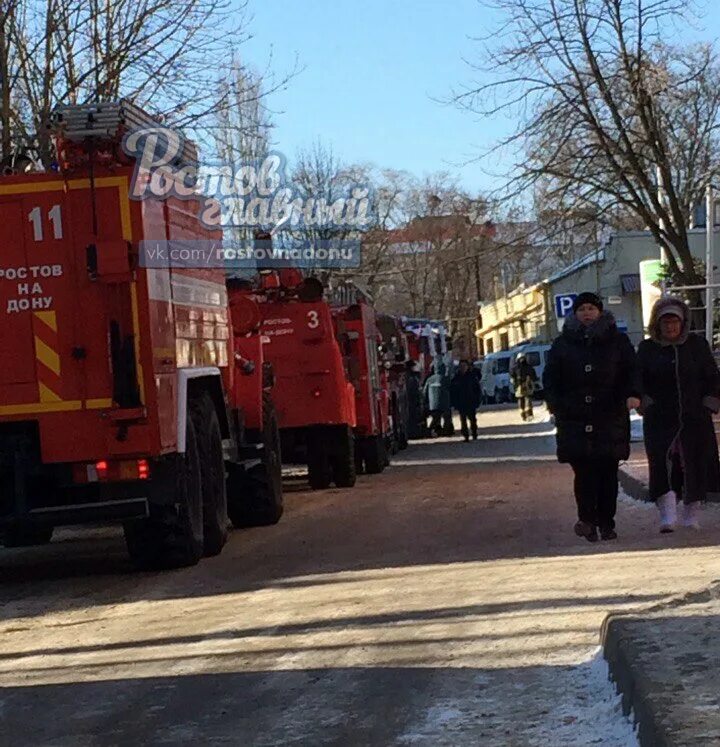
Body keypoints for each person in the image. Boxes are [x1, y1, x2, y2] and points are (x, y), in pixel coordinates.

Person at [543, 292, 640, 542]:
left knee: (607, 471)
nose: (587, 313)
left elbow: (631, 371)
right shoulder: (562, 344)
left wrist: (632, 394)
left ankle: (607, 521)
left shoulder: (617, 341)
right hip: (574, 417)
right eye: (582, 309)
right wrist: (556, 404)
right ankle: (587, 520)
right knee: (583, 471)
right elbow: (551, 378)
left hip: (609, 415)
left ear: (600, 312)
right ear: (574, 314)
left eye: (591, 308)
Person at [637, 296, 720, 532]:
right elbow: (637, 379)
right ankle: (667, 515)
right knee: (663, 464)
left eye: (675, 321)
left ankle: (691, 514)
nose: (671, 327)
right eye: (666, 322)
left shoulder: (696, 345)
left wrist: (709, 402)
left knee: (695, 462)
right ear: (657, 324)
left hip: (695, 416)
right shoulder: (647, 349)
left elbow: (712, 376)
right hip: (660, 417)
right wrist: (645, 401)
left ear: (683, 322)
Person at [450, 359, 481, 441]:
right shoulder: (456, 378)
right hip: (461, 402)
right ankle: (465, 435)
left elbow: (477, 389)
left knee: (472, 419)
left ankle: (474, 433)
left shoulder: (472, 376)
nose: (463, 368)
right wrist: (454, 403)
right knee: (463, 420)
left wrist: (478, 400)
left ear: (467, 367)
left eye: (464, 366)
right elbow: (453, 391)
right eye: (461, 366)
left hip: (471, 401)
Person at [423, 362, 452, 437]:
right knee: (447, 418)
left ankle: (430, 431)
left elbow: (425, 391)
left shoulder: (429, 379)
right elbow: (451, 389)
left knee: (435, 418)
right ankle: (446, 431)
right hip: (445, 403)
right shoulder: (445, 378)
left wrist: (425, 402)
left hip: (433, 404)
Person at [512, 353, 538, 421]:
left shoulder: (528, 367)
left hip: (527, 385)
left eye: (522, 358)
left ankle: (529, 414)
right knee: (521, 400)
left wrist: (533, 380)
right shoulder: (515, 368)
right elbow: (512, 376)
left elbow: (533, 375)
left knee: (528, 399)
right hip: (519, 386)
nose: (521, 360)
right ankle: (523, 415)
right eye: (520, 359)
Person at [405, 360, 423, 440]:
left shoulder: (408, 376)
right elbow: (415, 391)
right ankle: (414, 433)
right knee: (413, 417)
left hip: (410, 401)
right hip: (412, 400)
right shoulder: (412, 378)